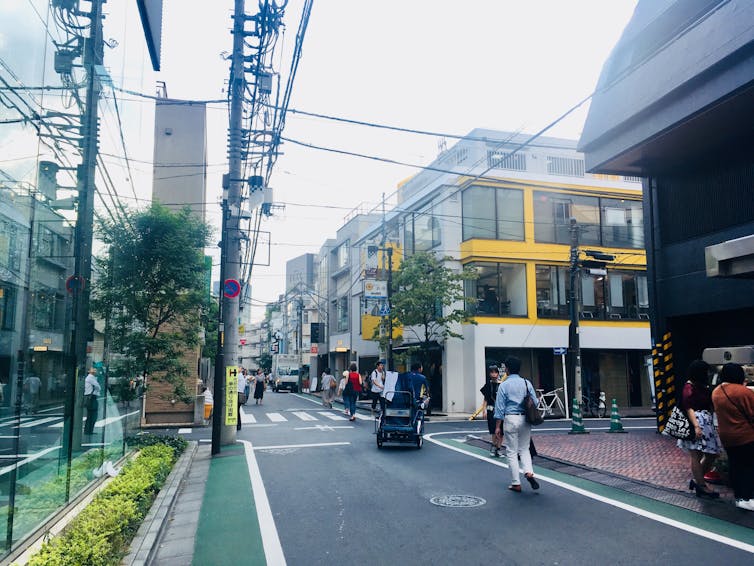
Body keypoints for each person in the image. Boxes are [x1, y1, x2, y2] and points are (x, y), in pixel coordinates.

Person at [493, 356, 540, 492]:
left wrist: (497, 427)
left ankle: (516, 483)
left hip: (510, 419)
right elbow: (535, 403)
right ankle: (529, 471)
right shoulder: (526, 383)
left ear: (507, 369)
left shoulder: (504, 385)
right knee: (524, 448)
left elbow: (500, 408)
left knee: (512, 452)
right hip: (525, 418)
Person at [711, 363, 754, 510]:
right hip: (745, 436)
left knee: (735, 466)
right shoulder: (743, 392)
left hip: (727, 436)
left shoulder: (716, 392)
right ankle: (749, 497)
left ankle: (739, 497)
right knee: (749, 467)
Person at [678, 359, 722, 499]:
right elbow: (688, 406)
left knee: (711, 454)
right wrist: (696, 426)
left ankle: (698, 482)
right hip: (695, 422)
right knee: (696, 455)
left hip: (705, 422)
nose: (708, 374)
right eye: (706, 372)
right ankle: (701, 486)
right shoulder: (689, 386)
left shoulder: (701, 385)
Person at [480, 365, 503, 457]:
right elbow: (485, 399)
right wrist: (484, 410)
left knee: (501, 430)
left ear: (498, 373)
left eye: (495, 372)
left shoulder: (502, 385)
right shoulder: (488, 385)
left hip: (501, 411)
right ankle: (494, 447)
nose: (494, 374)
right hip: (491, 410)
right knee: (493, 430)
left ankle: (499, 448)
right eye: (492, 372)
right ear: (489, 374)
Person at [83, 368, 100, 435]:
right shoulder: (90, 378)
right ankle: (88, 431)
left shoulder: (90, 378)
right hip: (91, 398)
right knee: (92, 415)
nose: (95, 372)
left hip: (90, 398)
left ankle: (89, 431)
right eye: (94, 371)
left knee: (91, 415)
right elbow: (98, 387)